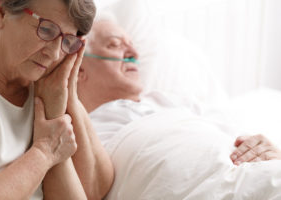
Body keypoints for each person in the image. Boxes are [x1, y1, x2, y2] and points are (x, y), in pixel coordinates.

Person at [78, 17, 281, 166]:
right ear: (79, 69)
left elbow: (241, 138)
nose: (134, 53)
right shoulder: (83, 132)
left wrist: (270, 151)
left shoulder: (174, 103)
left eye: (131, 45)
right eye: (114, 44)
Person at [0, 0, 114, 199]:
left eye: (67, 41)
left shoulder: (47, 82)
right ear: (1, 13)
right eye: (47, 30)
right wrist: (45, 152)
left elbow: (94, 189)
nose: (54, 54)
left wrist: (66, 96)